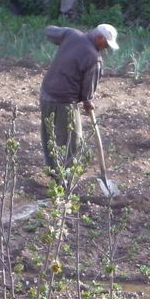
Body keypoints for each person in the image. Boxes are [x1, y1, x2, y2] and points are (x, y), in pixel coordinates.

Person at [39, 23, 119, 183]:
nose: (106, 48)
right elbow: (88, 89)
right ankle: (65, 180)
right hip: (64, 100)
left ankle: (54, 172)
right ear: (99, 38)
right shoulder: (94, 58)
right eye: (106, 44)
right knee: (72, 140)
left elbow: (49, 31)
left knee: (50, 134)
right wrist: (88, 101)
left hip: (46, 92)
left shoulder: (71, 34)